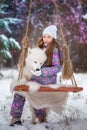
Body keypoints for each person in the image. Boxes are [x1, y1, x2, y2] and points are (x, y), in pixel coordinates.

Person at [10, 25, 63, 126]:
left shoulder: (55, 50)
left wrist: (42, 72)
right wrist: (26, 52)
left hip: (48, 79)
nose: (46, 39)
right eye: (44, 36)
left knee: (35, 92)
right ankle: (15, 117)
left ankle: (41, 117)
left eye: (49, 37)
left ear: (53, 38)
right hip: (35, 77)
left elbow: (57, 67)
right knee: (20, 90)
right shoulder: (40, 48)